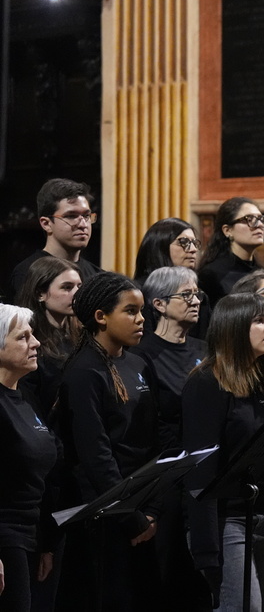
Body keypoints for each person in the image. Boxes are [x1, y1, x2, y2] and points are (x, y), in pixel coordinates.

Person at [55, 272, 159, 611]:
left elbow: (150, 442)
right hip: (105, 515)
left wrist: (151, 508)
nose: (141, 319)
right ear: (101, 317)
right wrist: (131, 517)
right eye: (130, 311)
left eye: (142, 310)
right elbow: (96, 456)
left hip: (140, 506)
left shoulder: (139, 362)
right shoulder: (84, 372)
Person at [182, 293, 264, 611]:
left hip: (262, 515)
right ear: (234, 327)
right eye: (259, 321)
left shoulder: (261, 380)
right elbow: (200, 468)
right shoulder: (207, 383)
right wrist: (207, 549)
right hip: (227, 520)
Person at [134, 267, 208, 609]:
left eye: (197, 295)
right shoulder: (142, 353)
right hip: (165, 482)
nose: (195, 301)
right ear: (159, 304)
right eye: (186, 295)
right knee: (165, 578)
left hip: (204, 476)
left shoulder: (205, 349)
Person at [0, 303, 59, 612]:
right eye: (23, 337)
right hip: (5, 538)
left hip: (30, 538)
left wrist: (45, 543)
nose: (35, 343)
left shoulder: (24, 397)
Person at [8, 178, 101, 300]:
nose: (83, 224)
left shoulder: (98, 276)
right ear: (46, 224)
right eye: (71, 216)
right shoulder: (28, 272)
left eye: (86, 216)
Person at [14, 257, 81, 421]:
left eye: (79, 286)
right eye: (67, 288)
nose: (77, 294)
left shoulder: (82, 336)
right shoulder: (28, 343)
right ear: (40, 294)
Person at [196, 197, 264, 307]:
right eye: (250, 219)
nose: (260, 225)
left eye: (261, 219)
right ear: (227, 230)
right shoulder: (212, 275)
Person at [132, 218, 201, 284]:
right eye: (183, 242)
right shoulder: (139, 293)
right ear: (161, 247)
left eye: (194, 243)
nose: (193, 249)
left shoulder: (197, 290)